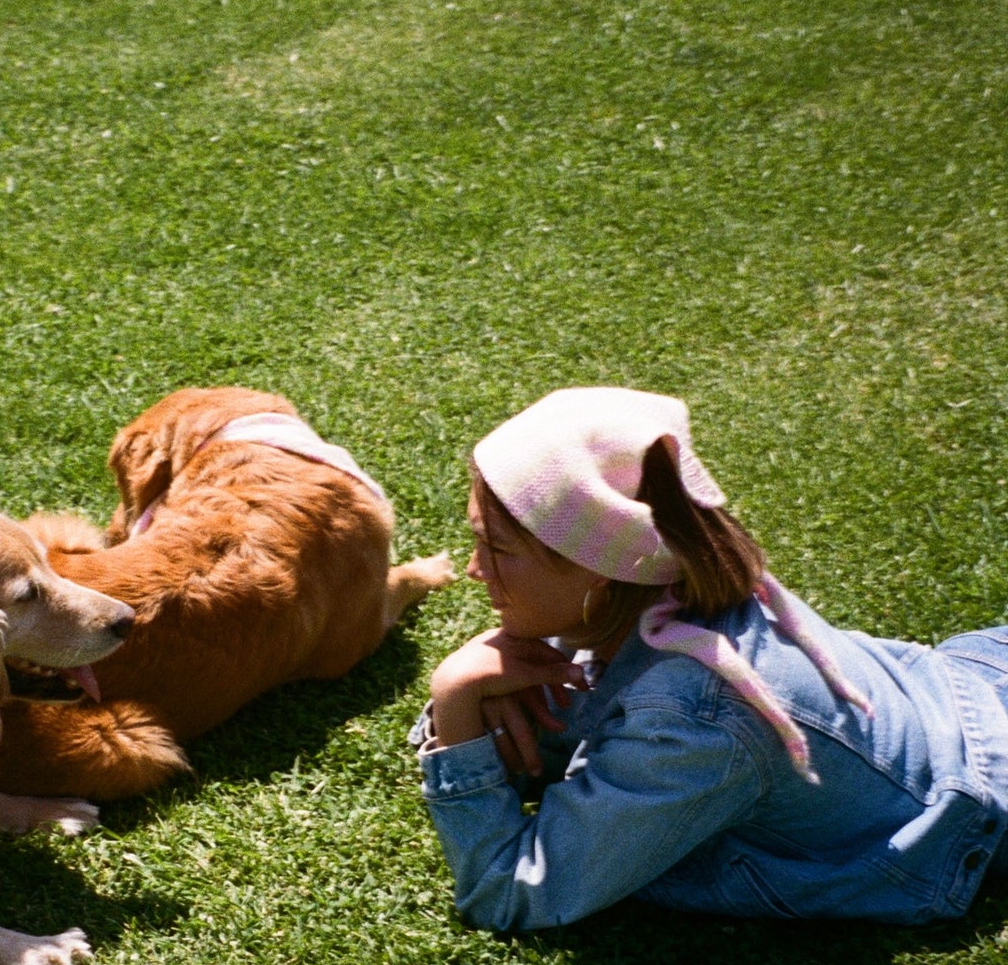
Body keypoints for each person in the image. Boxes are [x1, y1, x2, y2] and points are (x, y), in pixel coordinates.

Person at [415, 386, 1008, 929]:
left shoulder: (695, 715)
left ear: (600, 570)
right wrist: (482, 710)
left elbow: (506, 890)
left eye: (495, 548)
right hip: (972, 676)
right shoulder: (657, 592)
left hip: (981, 793)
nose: (473, 569)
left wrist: (457, 703)